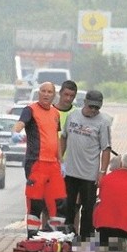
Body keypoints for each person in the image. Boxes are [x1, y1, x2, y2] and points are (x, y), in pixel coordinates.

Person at [11, 81, 66, 238]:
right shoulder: (30, 110)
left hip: (53, 164)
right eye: (43, 91)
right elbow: (19, 124)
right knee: (36, 201)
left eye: (50, 92)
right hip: (36, 162)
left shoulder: (55, 113)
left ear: (54, 95)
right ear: (39, 93)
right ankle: (33, 234)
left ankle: (56, 234)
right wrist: (15, 133)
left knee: (59, 201)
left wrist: (61, 162)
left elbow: (56, 138)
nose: (46, 94)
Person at [60, 90, 112, 240]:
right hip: (70, 171)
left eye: (97, 108)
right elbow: (63, 137)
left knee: (88, 208)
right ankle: (68, 235)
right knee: (68, 206)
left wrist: (102, 172)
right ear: (84, 103)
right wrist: (60, 160)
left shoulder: (103, 122)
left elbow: (106, 149)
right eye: (91, 107)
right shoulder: (73, 116)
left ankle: (85, 238)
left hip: (89, 173)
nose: (94, 110)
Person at [46, 80, 79, 227]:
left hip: (71, 167)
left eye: (71, 96)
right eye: (65, 94)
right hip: (50, 164)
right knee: (48, 202)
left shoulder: (77, 114)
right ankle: (45, 232)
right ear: (60, 93)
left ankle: (73, 234)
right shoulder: (49, 111)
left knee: (73, 205)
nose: (68, 98)